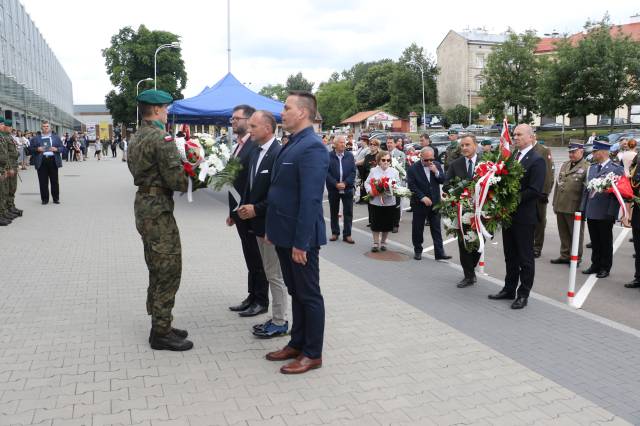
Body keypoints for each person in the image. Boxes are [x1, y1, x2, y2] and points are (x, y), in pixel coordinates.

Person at [265, 91, 329, 374]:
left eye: (286, 107)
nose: (282, 112)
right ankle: (297, 343)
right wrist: (272, 230)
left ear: (302, 113)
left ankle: (312, 353)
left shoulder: (312, 146)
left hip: (300, 238)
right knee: (296, 291)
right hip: (284, 234)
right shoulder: (292, 143)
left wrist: (301, 243)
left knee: (309, 294)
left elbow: (311, 199)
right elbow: (278, 191)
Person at [127, 89, 192, 351]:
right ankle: (160, 333)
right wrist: (197, 176)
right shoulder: (161, 139)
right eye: (165, 109)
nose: (166, 113)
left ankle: (161, 321)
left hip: (144, 206)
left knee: (155, 265)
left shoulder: (136, 137)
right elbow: (176, 179)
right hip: (158, 210)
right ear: (155, 110)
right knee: (168, 268)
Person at [237, 110, 289, 339]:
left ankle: (280, 321)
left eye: (254, 127)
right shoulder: (257, 151)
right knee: (269, 272)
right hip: (256, 224)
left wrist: (256, 209)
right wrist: (241, 209)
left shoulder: (278, 153)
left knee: (274, 275)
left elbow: (279, 194)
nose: (249, 130)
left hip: (271, 225)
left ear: (268, 129)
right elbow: (250, 185)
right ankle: (277, 316)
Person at [488, 124, 545, 310]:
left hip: (524, 217)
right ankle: (509, 288)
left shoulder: (537, 160)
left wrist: (511, 198)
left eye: (519, 134)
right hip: (508, 215)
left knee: (525, 258)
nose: (516, 137)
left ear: (530, 137)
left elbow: (535, 190)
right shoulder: (513, 156)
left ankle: (523, 294)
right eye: (514, 134)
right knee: (510, 255)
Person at [226, 105, 270, 318]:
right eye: (232, 119)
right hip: (240, 212)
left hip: (252, 213)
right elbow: (235, 181)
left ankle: (261, 300)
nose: (233, 122)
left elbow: (252, 184)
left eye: (237, 119)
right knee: (249, 256)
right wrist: (232, 212)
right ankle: (252, 295)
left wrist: (247, 209)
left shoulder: (253, 146)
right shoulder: (239, 146)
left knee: (257, 258)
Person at [580, 137, 624, 279]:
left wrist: (611, 213)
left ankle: (605, 267)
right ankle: (595, 264)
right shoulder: (592, 168)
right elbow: (586, 191)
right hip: (592, 210)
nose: (593, 154)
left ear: (603, 152)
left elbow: (618, 193)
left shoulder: (616, 169)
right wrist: (583, 209)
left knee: (605, 241)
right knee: (595, 241)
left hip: (605, 212)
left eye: (595, 151)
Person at [445, 135, 481, 286]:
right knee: (464, 243)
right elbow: (446, 186)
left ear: (475, 145)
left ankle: (470, 268)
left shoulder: (486, 162)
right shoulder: (455, 164)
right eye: (462, 145)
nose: (464, 148)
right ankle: (468, 275)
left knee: (479, 243)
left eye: (467, 145)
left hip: (481, 212)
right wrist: (459, 191)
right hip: (461, 211)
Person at [407, 147, 450, 261]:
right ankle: (418, 250)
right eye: (426, 160)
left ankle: (439, 253)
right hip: (419, 203)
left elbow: (443, 180)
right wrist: (422, 197)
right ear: (421, 157)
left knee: (436, 228)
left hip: (435, 203)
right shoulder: (413, 169)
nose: (429, 162)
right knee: (418, 228)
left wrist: (436, 172)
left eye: (431, 159)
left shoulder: (436, 165)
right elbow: (412, 186)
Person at [550, 142, 589, 265]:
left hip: (574, 207)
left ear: (581, 152)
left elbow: (586, 191)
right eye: (570, 152)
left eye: (574, 152)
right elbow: (558, 185)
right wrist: (555, 202)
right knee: (563, 232)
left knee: (576, 233)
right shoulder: (565, 165)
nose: (571, 154)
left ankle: (576, 257)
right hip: (561, 204)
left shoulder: (587, 167)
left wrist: (583, 209)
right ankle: (565, 255)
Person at [364, 150, 397, 252]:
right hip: (376, 201)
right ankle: (375, 243)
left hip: (389, 201)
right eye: (383, 160)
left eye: (388, 160)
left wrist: (394, 188)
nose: (386, 162)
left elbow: (398, 184)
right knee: (376, 223)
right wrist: (370, 191)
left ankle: (383, 242)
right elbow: (367, 183)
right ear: (379, 161)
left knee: (387, 224)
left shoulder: (394, 171)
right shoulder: (373, 171)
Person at [326, 135, 356, 244]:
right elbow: (326, 172)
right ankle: (335, 232)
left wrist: (345, 182)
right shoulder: (328, 156)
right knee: (334, 211)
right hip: (334, 189)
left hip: (347, 188)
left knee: (348, 212)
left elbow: (353, 172)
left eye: (344, 142)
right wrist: (335, 183)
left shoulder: (350, 156)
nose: (343, 144)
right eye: (341, 142)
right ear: (334, 144)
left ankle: (347, 235)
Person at [30, 121, 64, 205]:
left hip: (53, 160)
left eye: (47, 126)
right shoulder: (36, 138)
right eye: (44, 126)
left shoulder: (56, 137)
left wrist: (56, 149)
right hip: (42, 160)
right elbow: (31, 149)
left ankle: (56, 198)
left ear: (50, 128)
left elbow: (62, 148)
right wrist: (38, 149)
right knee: (43, 181)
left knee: (54, 181)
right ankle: (44, 199)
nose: (46, 127)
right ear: (41, 128)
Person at [532, 139, 555, 258]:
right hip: (527, 192)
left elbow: (549, 172)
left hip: (539, 192)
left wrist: (545, 192)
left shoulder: (543, 150)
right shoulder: (520, 150)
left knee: (540, 220)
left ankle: (537, 247)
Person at [625, 155, 640, 289]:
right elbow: (632, 188)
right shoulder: (637, 163)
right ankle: (638, 278)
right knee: (638, 248)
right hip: (638, 215)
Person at [388, 137, 406, 233]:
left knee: (396, 205)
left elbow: (402, 169)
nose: (389, 144)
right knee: (388, 204)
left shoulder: (401, 154)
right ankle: (389, 223)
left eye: (391, 142)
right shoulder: (384, 154)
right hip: (386, 182)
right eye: (388, 143)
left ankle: (395, 225)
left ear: (395, 144)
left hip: (396, 182)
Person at [354, 134, 370, 204]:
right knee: (358, 183)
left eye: (361, 140)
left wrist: (356, 163)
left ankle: (364, 198)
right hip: (357, 168)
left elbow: (365, 159)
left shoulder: (368, 149)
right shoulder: (360, 148)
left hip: (362, 168)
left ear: (365, 141)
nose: (360, 142)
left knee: (362, 183)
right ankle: (359, 198)